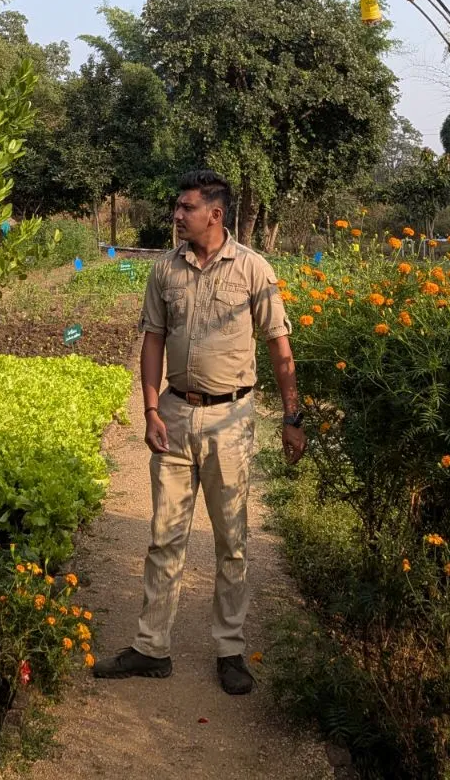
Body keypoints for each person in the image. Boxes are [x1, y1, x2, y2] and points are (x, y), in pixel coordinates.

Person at [93, 169, 307, 695]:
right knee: (164, 536)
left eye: (186, 207)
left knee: (232, 541)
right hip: (174, 415)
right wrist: (149, 410)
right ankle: (151, 647)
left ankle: (230, 650)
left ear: (215, 213)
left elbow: (280, 349)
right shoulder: (164, 271)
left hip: (231, 421)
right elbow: (152, 341)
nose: (177, 214)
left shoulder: (254, 269)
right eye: (178, 207)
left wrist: (292, 415)